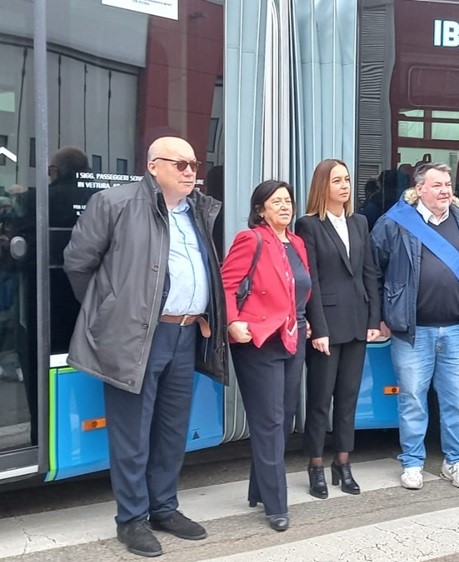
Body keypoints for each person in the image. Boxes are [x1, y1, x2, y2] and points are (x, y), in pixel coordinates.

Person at [64, 136, 228, 558]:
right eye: (180, 164)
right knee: (132, 433)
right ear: (154, 166)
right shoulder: (115, 204)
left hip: (186, 333)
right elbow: (78, 262)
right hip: (139, 335)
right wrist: (112, 312)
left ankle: (164, 508)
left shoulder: (198, 211)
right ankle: (132, 519)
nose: (190, 171)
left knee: (173, 430)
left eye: (194, 163)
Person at [371, 162, 459, 490]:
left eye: (448, 184)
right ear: (419, 189)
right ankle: (413, 462)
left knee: (456, 400)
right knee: (413, 400)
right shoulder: (393, 224)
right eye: (437, 185)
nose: (446, 190)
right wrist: (380, 316)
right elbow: (374, 272)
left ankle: (457, 461)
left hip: (457, 330)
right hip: (412, 331)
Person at [221, 179, 310, 532]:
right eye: (276, 202)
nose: (285, 207)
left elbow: (300, 291)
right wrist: (232, 322)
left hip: (293, 337)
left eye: (288, 201)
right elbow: (226, 285)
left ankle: (259, 490)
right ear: (261, 209)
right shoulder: (251, 238)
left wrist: (310, 326)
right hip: (259, 340)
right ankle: (276, 505)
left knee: (282, 419)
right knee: (270, 422)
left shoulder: (298, 242)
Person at [296, 159, 381, 499]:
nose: (345, 186)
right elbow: (311, 280)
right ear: (323, 187)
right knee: (320, 400)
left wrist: (375, 319)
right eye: (337, 181)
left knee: (348, 399)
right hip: (327, 326)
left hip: (358, 322)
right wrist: (318, 327)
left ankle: (342, 463)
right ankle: (315, 465)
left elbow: (370, 273)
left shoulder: (359, 222)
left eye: (347, 180)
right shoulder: (309, 225)